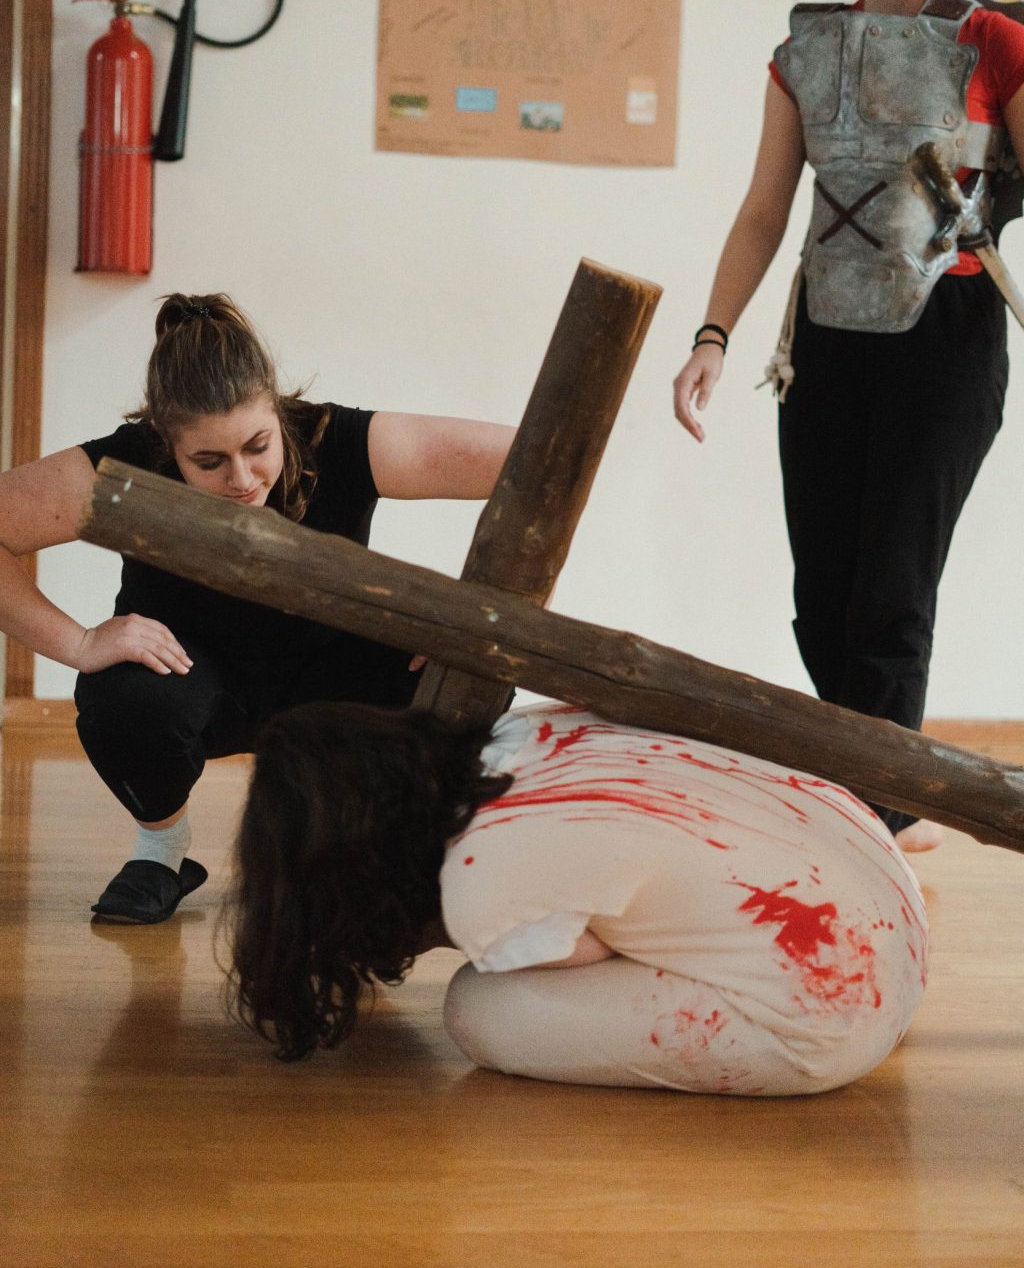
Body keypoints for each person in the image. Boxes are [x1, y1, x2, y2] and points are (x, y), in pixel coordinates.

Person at [672, 0, 1024, 852]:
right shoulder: (805, 49)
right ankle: (869, 790)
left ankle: (873, 817)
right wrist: (711, 335)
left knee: (891, 594)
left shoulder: (999, 43)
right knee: (821, 594)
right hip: (825, 339)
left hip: (946, 335)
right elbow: (762, 211)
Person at [0, 293, 514, 923]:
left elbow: (534, 464)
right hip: (191, 676)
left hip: (332, 672)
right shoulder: (125, 460)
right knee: (124, 706)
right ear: (165, 441)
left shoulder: (335, 438)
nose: (242, 478)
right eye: (208, 461)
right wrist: (78, 643)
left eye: (258, 446)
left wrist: (455, 614)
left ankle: (378, 847)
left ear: (278, 412)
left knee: (471, 669)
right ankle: (162, 851)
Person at [227, 698, 928, 1096]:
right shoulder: (522, 729)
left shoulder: (481, 880)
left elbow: (589, 955)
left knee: (478, 1008)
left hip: (839, 1014)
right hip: (886, 896)